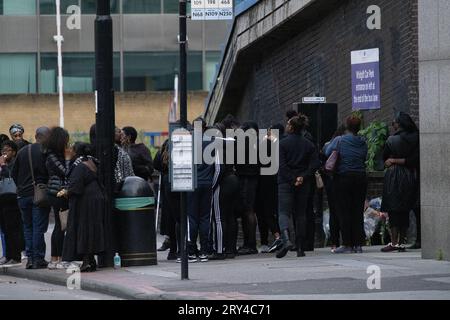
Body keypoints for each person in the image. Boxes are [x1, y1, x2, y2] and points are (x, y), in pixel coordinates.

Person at [276, 116, 320, 258]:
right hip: (304, 183)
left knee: (283, 213)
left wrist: (292, 179)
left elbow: (282, 166)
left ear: (292, 127)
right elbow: (314, 164)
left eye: (288, 124)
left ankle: (286, 240)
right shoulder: (309, 145)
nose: (286, 125)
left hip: (285, 182)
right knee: (301, 214)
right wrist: (302, 177)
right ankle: (300, 247)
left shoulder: (282, 144)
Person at [58, 142, 106, 272]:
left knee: (84, 230)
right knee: (92, 229)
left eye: (72, 149)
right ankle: (90, 260)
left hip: (86, 201)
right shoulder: (91, 161)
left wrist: (66, 191)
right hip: (96, 198)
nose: (69, 151)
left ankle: (86, 261)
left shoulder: (79, 166)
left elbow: (76, 186)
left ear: (76, 151)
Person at [326, 116, 368, 254]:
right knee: (357, 211)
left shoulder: (339, 140)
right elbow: (364, 156)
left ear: (347, 126)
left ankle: (347, 244)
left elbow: (327, 152)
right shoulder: (363, 141)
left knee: (344, 212)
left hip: (343, 177)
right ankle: (358, 245)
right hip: (360, 177)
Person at [12, 127, 51, 269]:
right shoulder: (46, 152)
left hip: (22, 195)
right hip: (39, 194)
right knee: (38, 227)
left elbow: (14, 173)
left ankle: (29, 259)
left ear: (35, 136)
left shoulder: (23, 151)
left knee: (27, 227)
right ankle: (38, 258)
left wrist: (21, 187)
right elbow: (50, 172)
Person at [381, 112, 420, 252]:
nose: (393, 125)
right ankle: (402, 242)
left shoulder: (392, 140)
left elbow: (384, 158)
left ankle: (393, 242)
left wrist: (392, 160)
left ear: (399, 124)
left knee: (393, 209)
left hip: (394, 175)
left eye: (393, 123)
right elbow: (415, 159)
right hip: (410, 175)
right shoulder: (417, 138)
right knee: (404, 209)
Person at [44, 127, 72, 269]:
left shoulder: (53, 154)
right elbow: (65, 173)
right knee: (61, 226)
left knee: (59, 226)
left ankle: (55, 258)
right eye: (66, 140)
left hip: (56, 192)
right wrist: (68, 159)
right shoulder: (52, 156)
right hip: (58, 193)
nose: (67, 143)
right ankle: (58, 258)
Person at [186, 118, 214, 262]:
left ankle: (191, 251)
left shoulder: (188, 142)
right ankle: (204, 251)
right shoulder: (211, 142)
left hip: (192, 183)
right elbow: (217, 166)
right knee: (204, 218)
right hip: (207, 183)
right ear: (205, 127)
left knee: (191, 217)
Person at [256, 124, 283, 253]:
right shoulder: (280, 145)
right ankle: (279, 236)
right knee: (274, 212)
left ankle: (272, 239)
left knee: (264, 213)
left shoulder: (265, 146)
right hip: (277, 182)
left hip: (264, 183)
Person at [235, 121, 260, 255]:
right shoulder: (258, 142)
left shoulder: (244, 142)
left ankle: (250, 245)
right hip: (254, 178)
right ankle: (249, 244)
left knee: (248, 211)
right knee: (249, 211)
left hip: (246, 179)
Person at [322, 124, 346, 251]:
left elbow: (324, 157)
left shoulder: (328, 144)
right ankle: (346, 241)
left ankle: (334, 242)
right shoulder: (345, 143)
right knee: (343, 211)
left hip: (330, 181)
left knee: (333, 212)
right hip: (342, 179)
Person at [0, 141, 24, 267]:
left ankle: (16, 256)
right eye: (3, 150)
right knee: (5, 229)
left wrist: (3, 166)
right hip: (2, 200)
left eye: (8, 150)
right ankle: (8, 255)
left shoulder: (14, 164)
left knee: (13, 228)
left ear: (14, 152)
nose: (5, 153)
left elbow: (10, 177)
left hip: (12, 199)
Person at [153, 139, 178, 260]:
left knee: (171, 217)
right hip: (179, 180)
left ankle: (173, 249)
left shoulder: (166, 144)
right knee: (180, 217)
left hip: (167, 182)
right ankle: (180, 248)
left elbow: (156, 164)